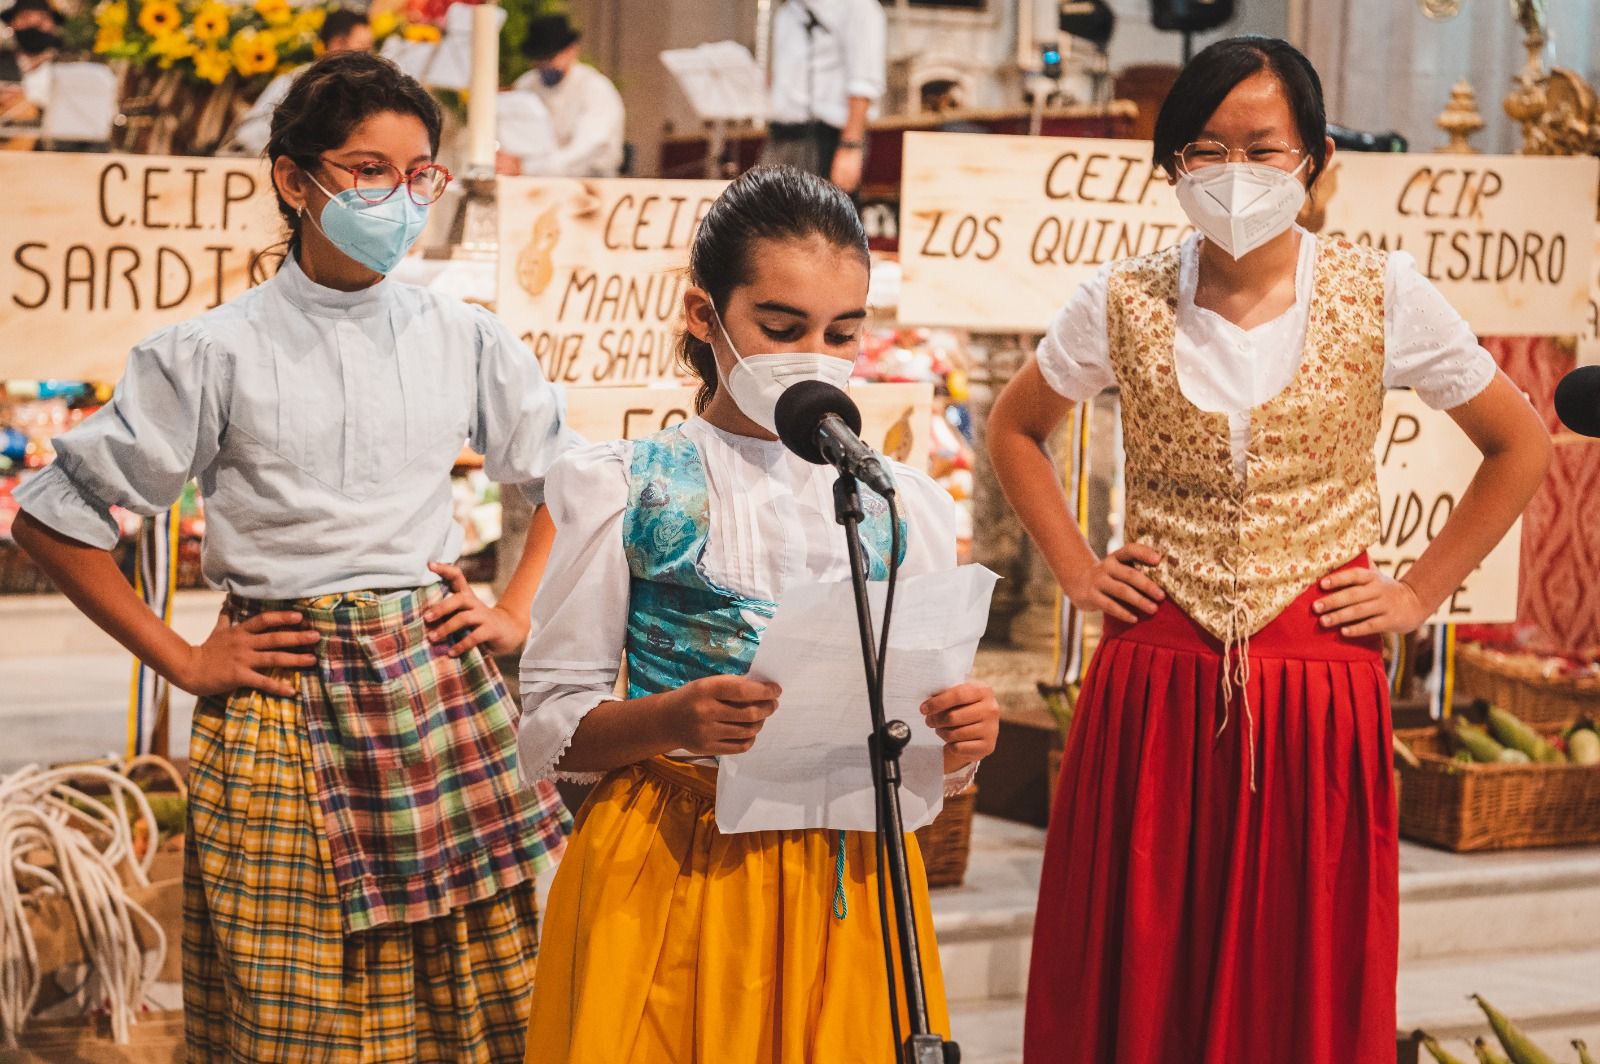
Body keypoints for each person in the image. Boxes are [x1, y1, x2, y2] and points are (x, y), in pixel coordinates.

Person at [987, 36, 1551, 1064]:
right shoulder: (1119, 296)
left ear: (1315, 159)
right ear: (1168, 166)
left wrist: (1419, 590)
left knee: (1300, 949)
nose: (1233, 173)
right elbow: (1012, 426)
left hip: (1317, 670)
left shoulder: (1383, 291)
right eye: (1204, 149)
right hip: (1153, 668)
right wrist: (1076, 569)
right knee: (1142, 939)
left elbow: (1518, 444)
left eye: (1262, 147)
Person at [12, 52, 576, 1061]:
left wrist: (516, 609)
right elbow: (52, 519)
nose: (396, 197)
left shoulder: (462, 335)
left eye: (418, 175)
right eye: (367, 169)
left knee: (473, 985)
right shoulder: (212, 350)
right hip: (284, 687)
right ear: (293, 178)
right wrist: (183, 658)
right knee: (294, 997)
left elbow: (568, 483)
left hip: (434, 679)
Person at [517, 165, 999, 1063]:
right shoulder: (626, 483)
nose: (814, 355)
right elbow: (549, 728)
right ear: (705, 317)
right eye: (781, 329)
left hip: (851, 875)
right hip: (669, 858)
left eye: (841, 333)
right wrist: (672, 716)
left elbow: (925, 739)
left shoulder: (898, 503)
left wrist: (960, 737)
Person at [763, 0, 885, 196]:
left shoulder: (858, 6)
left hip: (826, 138)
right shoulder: (788, 11)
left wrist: (850, 147)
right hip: (781, 136)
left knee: (821, 221)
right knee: (769, 219)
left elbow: (863, 83)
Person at [221, 8, 373, 157]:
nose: (371, 57)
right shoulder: (294, 81)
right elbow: (248, 136)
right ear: (337, 44)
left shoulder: (372, 88)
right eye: (364, 49)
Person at [504, 14, 624, 178]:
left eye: (550, 57)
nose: (545, 65)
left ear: (571, 51)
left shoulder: (595, 89)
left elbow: (583, 153)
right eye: (539, 59)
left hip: (591, 186)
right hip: (533, 184)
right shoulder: (526, 85)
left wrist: (527, 168)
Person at [0, 0, 63, 129]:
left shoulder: (69, 65)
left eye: (42, 17)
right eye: (25, 16)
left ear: (53, 24)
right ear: (11, 23)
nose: (34, 23)